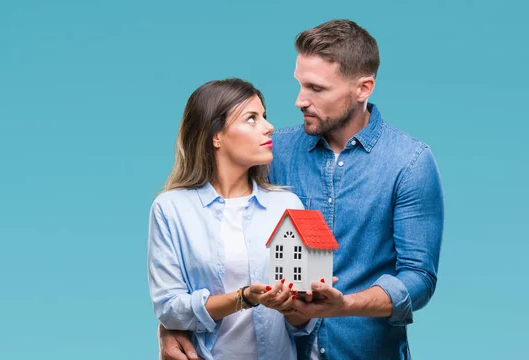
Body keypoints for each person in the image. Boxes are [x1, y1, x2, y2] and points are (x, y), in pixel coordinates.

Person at [158, 19, 445, 360]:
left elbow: (419, 278)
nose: (299, 101)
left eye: (317, 89)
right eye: (300, 84)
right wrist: (172, 325)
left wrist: (345, 305)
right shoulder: (271, 151)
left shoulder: (409, 163)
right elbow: (200, 230)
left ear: (363, 88)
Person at [148, 78, 315, 360]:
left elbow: (303, 325)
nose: (268, 126)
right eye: (251, 118)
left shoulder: (289, 205)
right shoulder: (170, 209)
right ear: (216, 136)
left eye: (264, 116)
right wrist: (244, 297)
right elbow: (169, 308)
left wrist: (298, 306)